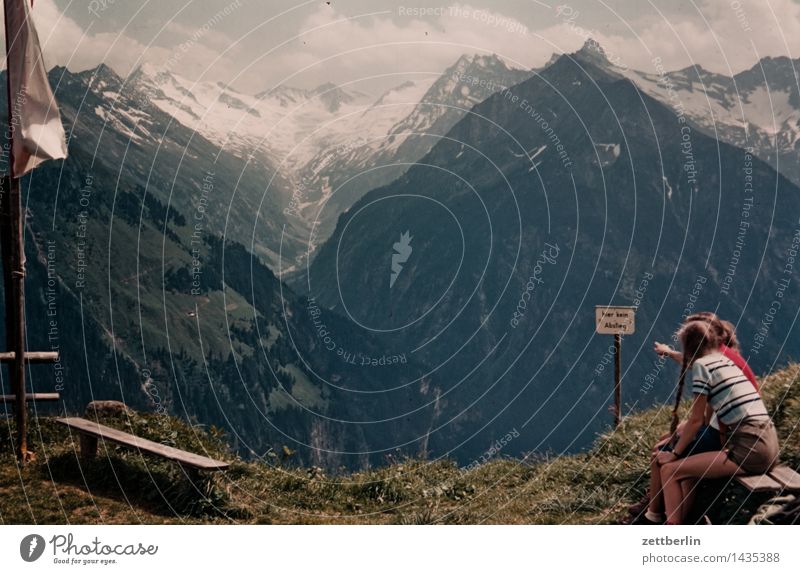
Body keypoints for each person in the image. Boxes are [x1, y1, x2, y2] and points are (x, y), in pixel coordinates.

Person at [628, 312, 759, 523]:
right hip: (736, 434)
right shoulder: (723, 355)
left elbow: (703, 418)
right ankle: (666, 511)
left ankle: (653, 513)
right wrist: (669, 352)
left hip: (729, 438)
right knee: (674, 452)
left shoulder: (712, 363)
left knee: (662, 454)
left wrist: (686, 436)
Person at [657, 320, 779, 524]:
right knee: (685, 471)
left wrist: (674, 453)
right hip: (767, 444)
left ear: (688, 345)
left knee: (669, 469)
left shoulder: (701, 367)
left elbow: (696, 421)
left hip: (750, 450)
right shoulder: (725, 362)